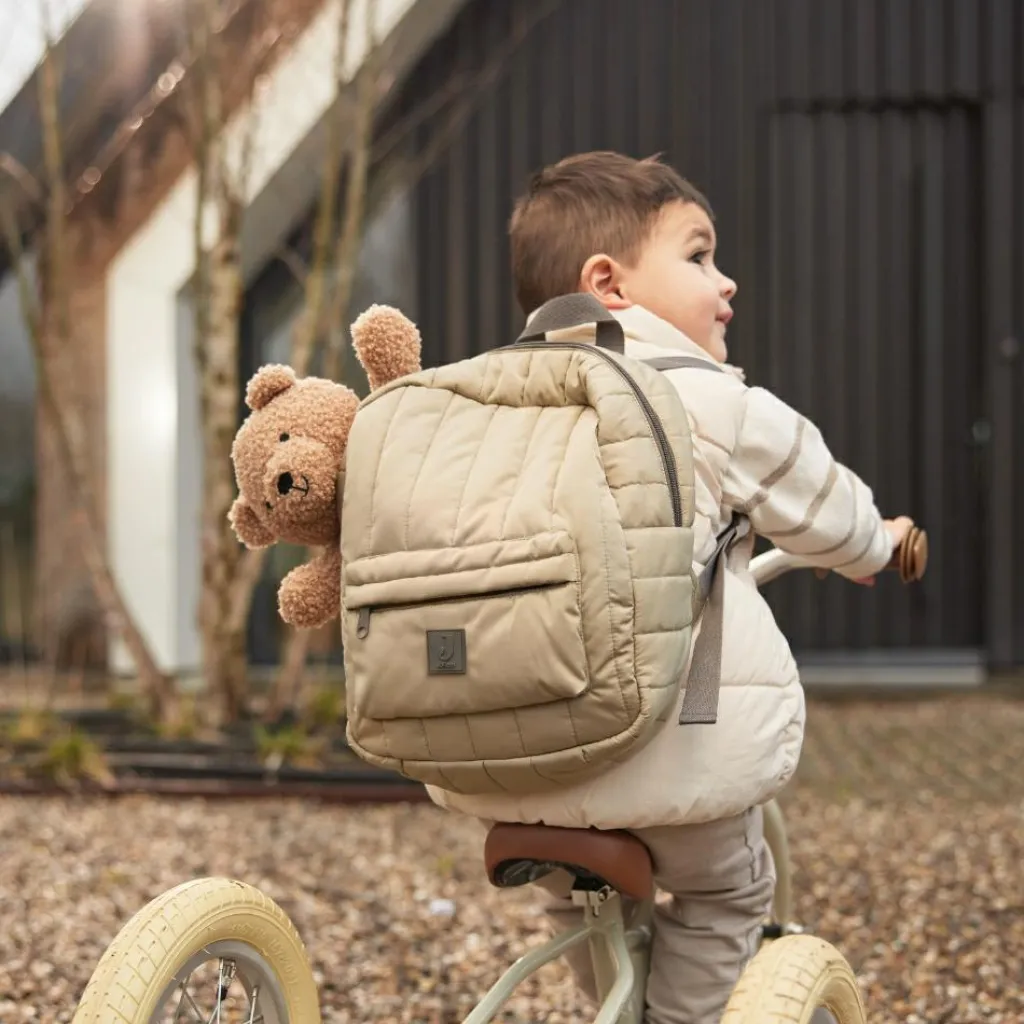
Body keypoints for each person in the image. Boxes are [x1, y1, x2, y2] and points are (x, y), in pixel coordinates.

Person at [427, 150, 912, 1024]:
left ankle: (612, 999)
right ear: (607, 284)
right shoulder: (705, 400)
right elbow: (826, 505)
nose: (726, 281)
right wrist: (878, 544)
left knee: (575, 893)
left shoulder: (478, 408)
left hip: (503, 769)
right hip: (665, 761)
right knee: (728, 891)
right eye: (698, 255)